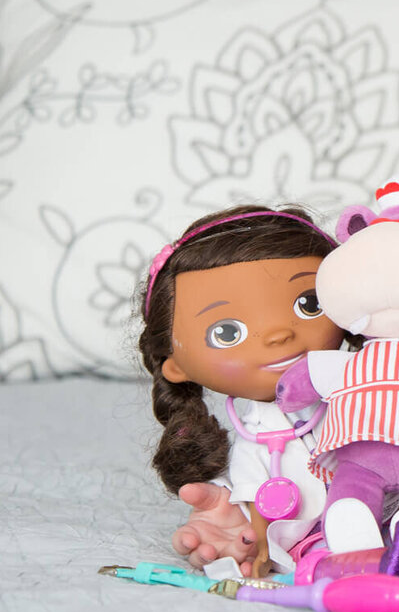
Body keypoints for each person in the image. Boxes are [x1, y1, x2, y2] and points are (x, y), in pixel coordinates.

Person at [137, 206, 346, 574]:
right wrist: (234, 516)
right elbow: (249, 502)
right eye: (228, 332)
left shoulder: (363, 398)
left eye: (308, 304)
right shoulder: (244, 447)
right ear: (174, 363)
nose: (279, 334)